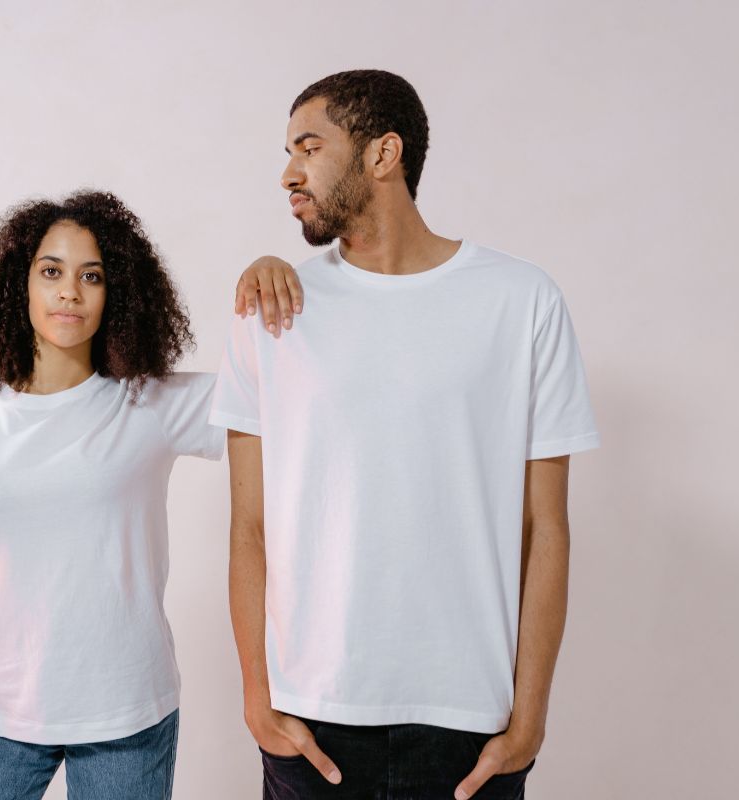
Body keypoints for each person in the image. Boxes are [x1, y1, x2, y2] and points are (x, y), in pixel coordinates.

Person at [213, 70, 601, 799]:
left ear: (382, 154)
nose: (288, 173)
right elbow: (249, 527)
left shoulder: (521, 302)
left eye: (309, 147)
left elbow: (544, 526)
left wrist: (531, 716)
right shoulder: (268, 310)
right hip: (311, 722)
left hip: (468, 726)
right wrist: (258, 700)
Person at [0, 190, 300, 800]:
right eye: (51, 271)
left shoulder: (150, 404)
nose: (69, 292)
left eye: (92, 276)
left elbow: (289, 397)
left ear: (118, 294)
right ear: (16, 284)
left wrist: (269, 277)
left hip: (127, 715)